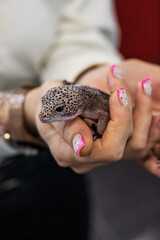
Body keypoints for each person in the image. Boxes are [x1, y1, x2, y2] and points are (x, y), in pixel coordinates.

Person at [0, 0, 160, 239]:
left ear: (76, 107)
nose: (47, 117)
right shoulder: (69, 104)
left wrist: (87, 69)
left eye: (58, 109)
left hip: (47, 168)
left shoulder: (86, 104)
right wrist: (22, 110)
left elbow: (78, 28)